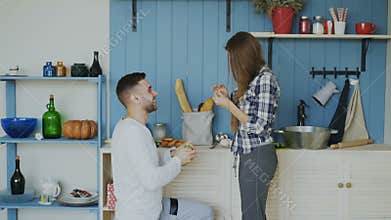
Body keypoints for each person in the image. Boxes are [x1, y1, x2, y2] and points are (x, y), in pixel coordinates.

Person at [112, 72, 214, 220]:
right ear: (136, 98)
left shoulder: (130, 126)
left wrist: (172, 154)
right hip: (142, 214)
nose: (155, 93)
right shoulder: (133, 132)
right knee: (204, 214)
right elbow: (152, 180)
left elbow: (144, 158)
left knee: (204, 213)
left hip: (153, 207)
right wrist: (178, 160)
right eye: (149, 89)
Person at [212, 32, 280, 220]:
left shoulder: (266, 80)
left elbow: (259, 126)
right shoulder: (252, 80)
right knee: (253, 215)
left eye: (232, 60)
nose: (231, 65)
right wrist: (229, 98)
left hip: (258, 155)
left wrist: (228, 105)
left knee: (252, 216)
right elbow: (246, 116)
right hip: (249, 153)